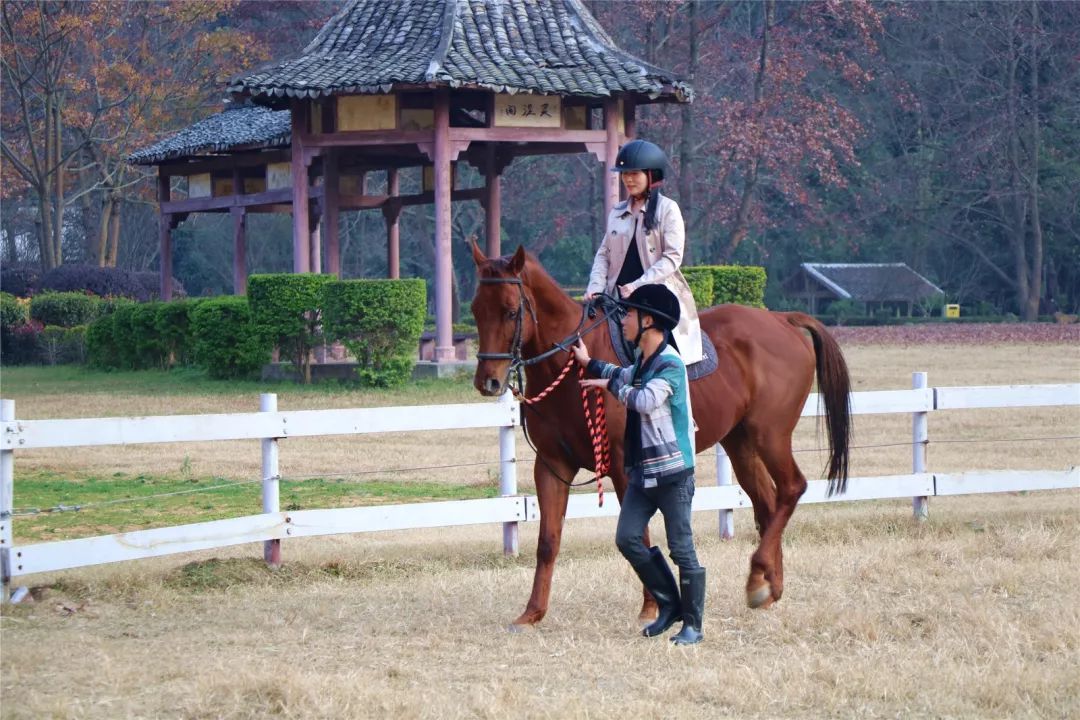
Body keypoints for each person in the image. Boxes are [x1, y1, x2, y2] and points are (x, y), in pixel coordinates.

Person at [572, 284, 705, 645]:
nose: (624, 320)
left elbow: (644, 399)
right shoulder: (644, 362)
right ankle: (670, 606)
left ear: (649, 321)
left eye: (629, 314)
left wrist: (610, 385)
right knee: (627, 538)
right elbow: (625, 373)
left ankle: (693, 624)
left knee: (682, 548)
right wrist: (592, 366)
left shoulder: (671, 365)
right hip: (644, 473)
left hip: (674, 475)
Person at [584, 139, 703, 365]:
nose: (628, 179)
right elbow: (603, 255)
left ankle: (678, 390)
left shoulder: (669, 210)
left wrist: (638, 286)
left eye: (634, 173)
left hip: (655, 300)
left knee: (670, 357)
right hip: (615, 299)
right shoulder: (617, 212)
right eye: (624, 173)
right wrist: (595, 288)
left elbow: (672, 258)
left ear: (651, 175)